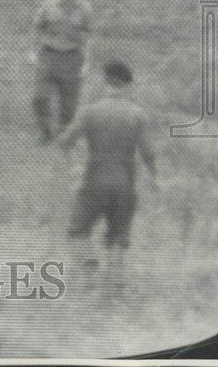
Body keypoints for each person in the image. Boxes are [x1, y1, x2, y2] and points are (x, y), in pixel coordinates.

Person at [56, 61, 156, 260]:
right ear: (128, 86)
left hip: (94, 181)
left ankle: (89, 266)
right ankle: (113, 284)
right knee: (119, 240)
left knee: (77, 232)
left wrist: (74, 167)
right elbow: (148, 153)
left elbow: (64, 143)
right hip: (125, 185)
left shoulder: (89, 112)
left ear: (105, 83)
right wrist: (154, 176)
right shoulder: (138, 115)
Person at [31, 0, 93, 143]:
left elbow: (88, 37)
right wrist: (32, 52)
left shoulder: (85, 9)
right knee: (39, 97)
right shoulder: (49, 5)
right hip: (49, 56)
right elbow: (37, 27)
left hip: (72, 58)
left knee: (69, 103)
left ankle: (63, 136)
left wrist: (87, 61)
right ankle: (45, 133)